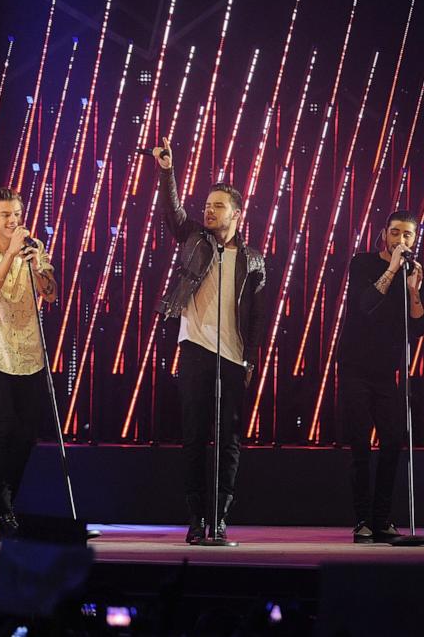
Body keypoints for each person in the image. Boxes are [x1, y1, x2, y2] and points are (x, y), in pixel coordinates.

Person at [153, 137, 267, 544]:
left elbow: (256, 316)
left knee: (230, 440)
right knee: (195, 436)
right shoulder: (194, 239)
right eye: (208, 204)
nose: (209, 210)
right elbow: (173, 212)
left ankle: (220, 517)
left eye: (218, 205)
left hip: (234, 358)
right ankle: (197, 518)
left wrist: (252, 360)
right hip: (196, 350)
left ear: (237, 214)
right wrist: (167, 172)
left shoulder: (253, 258)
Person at [0, 187, 58, 539]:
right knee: (3, 430)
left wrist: (37, 266)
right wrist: (10, 257)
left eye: (17, 213)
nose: (13, 220)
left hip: (30, 354)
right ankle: (2, 510)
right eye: (6, 214)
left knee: (27, 436)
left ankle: (10, 504)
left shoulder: (33, 247)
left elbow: (51, 294)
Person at [338, 211, 424, 543]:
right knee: (360, 444)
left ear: (415, 240)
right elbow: (365, 305)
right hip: (354, 366)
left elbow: (419, 327)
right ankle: (362, 520)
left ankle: (382, 519)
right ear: (384, 235)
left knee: (392, 441)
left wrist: (414, 290)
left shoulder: (412, 274)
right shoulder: (362, 263)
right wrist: (392, 269)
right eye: (395, 233)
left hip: (386, 372)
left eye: (407, 235)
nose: (400, 240)